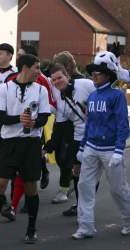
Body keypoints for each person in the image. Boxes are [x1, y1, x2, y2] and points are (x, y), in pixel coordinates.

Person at [0, 54, 50, 245]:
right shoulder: (4, 88)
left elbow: (45, 116)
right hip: (9, 144)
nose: (39, 72)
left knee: (31, 188)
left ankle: (31, 229)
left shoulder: (41, 90)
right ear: (25, 67)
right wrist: (18, 119)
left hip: (31, 144)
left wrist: (33, 122)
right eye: (36, 68)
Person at [72, 51, 130, 239]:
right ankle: (85, 226)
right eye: (93, 72)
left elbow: (123, 124)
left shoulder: (117, 96)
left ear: (108, 74)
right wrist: (82, 147)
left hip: (111, 150)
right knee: (84, 186)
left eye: (98, 72)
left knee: (118, 189)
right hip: (90, 147)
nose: (94, 75)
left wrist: (119, 150)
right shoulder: (93, 96)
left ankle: (128, 220)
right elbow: (89, 124)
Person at [1, 45, 55, 220]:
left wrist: (36, 121)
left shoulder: (43, 82)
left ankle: (17, 208)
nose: (18, 58)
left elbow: (51, 105)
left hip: (34, 137)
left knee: (28, 178)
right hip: (10, 139)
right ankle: (11, 207)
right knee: (8, 177)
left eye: (21, 55)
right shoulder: (8, 81)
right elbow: (0, 111)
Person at [48, 63, 95, 216]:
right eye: (54, 80)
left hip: (97, 134)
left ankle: (85, 203)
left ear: (67, 76)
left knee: (101, 176)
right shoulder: (56, 92)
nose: (57, 81)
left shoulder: (85, 84)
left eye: (60, 78)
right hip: (78, 135)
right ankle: (80, 205)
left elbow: (103, 92)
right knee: (76, 170)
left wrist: (92, 106)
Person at [45, 51, 85, 204]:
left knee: (70, 159)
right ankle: (70, 189)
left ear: (67, 67)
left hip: (75, 127)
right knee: (62, 158)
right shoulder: (57, 80)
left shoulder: (80, 82)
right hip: (61, 122)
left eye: (58, 64)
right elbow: (58, 104)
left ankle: (67, 192)